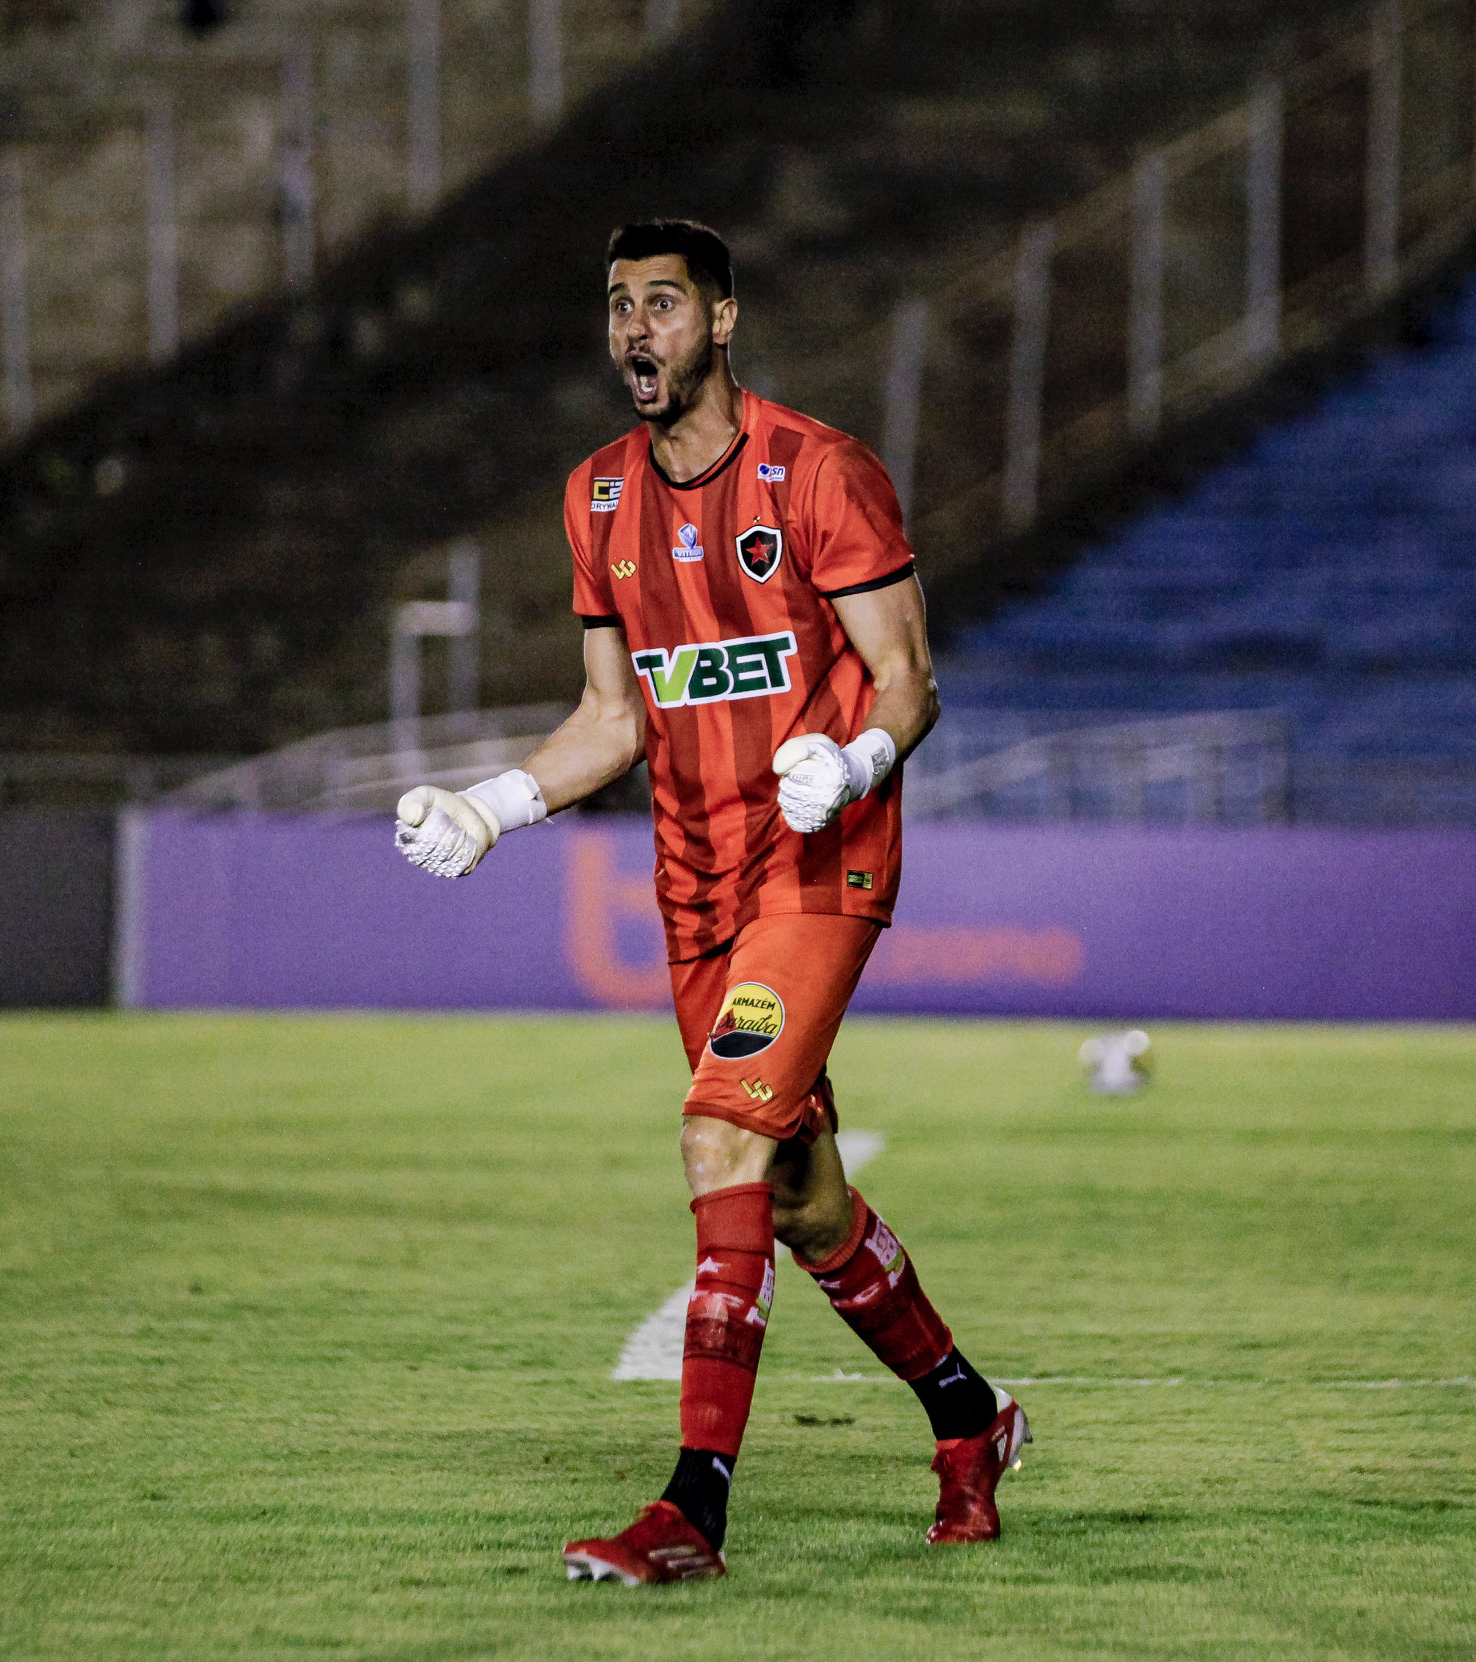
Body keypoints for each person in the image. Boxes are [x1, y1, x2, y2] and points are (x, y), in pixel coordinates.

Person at [394, 219, 1027, 1584]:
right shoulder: (596, 499)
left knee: (717, 1138)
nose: (637, 329)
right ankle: (969, 1416)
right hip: (693, 889)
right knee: (799, 1198)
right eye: (619, 304)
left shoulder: (821, 473)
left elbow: (908, 680)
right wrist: (491, 805)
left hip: (816, 867)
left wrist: (851, 762)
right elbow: (612, 717)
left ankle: (694, 1508)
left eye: (665, 303)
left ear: (723, 319)